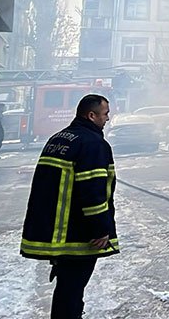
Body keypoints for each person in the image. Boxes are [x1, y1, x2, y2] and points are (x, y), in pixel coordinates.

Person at [21, 94, 119, 319]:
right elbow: (92, 190)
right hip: (77, 233)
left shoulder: (59, 138)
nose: (108, 119)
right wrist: (100, 229)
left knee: (67, 289)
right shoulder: (93, 144)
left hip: (55, 229)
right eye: (105, 114)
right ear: (91, 115)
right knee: (72, 291)